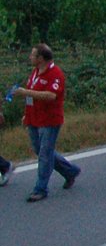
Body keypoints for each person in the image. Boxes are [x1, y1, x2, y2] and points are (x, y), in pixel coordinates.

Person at [17, 43, 79, 202]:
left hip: (49, 120)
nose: (30, 57)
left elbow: (51, 95)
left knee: (45, 154)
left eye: (33, 55)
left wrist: (25, 92)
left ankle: (40, 188)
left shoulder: (55, 73)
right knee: (41, 150)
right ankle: (70, 171)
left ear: (41, 58)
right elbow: (31, 95)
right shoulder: (35, 72)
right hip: (34, 118)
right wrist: (27, 114)